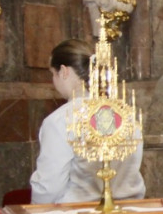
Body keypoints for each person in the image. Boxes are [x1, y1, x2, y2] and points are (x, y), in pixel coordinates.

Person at [30, 39, 145, 204]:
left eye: (53, 74)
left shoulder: (60, 121)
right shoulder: (126, 115)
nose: (53, 81)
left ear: (64, 71)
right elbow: (131, 173)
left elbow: (49, 189)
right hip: (127, 210)